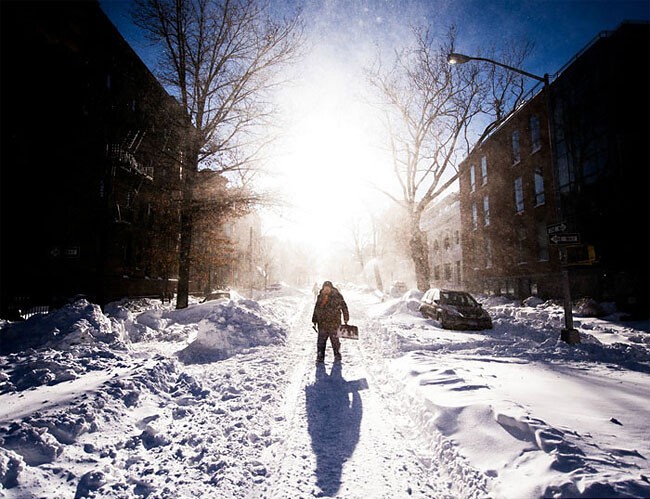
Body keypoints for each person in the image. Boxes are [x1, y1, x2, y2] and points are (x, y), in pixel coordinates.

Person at [311, 281, 349, 363]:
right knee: (321, 342)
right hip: (322, 323)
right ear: (323, 288)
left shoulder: (338, 296)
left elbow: (344, 307)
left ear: (331, 288)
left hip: (334, 323)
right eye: (325, 288)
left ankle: (337, 355)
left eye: (328, 288)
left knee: (335, 341)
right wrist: (314, 320)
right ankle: (320, 357)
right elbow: (316, 308)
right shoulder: (320, 296)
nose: (326, 290)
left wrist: (346, 318)